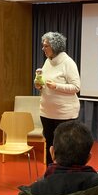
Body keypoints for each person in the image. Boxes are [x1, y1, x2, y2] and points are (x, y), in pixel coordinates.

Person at [35, 32, 81, 165]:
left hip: (64, 114)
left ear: (55, 47)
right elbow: (45, 82)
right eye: (43, 45)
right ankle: (50, 173)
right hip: (46, 112)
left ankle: (64, 174)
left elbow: (76, 87)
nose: (43, 48)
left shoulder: (68, 63)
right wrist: (39, 85)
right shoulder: (47, 61)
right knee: (50, 145)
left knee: (64, 148)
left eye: (46, 46)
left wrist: (56, 86)